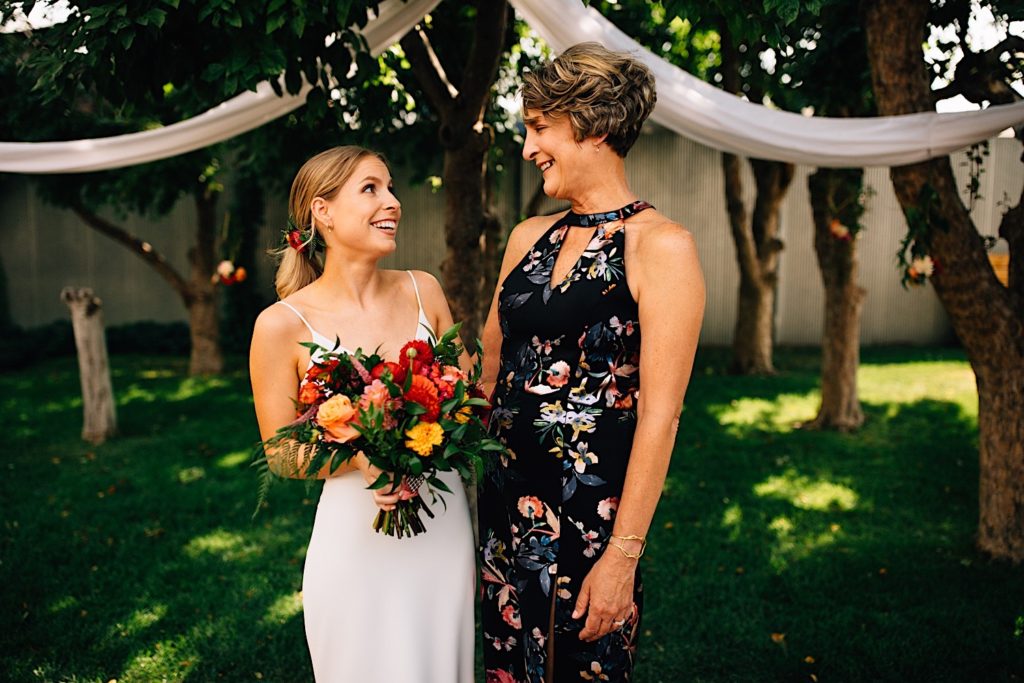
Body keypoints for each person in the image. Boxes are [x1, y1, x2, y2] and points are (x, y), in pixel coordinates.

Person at [477, 43, 706, 683]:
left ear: (594, 127)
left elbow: (661, 418)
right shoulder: (527, 237)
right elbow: (487, 373)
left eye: (540, 128)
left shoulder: (662, 247)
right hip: (502, 511)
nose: (528, 148)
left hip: (589, 522)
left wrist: (622, 559)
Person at [249, 146, 475, 683]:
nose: (392, 201)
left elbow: (467, 401)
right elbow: (282, 453)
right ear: (322, 211)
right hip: (355, 541)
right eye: (371, 189)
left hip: (442, 531)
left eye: (391, 187)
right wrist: (363, 459)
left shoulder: (425, 289)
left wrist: (441, 424)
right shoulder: (281, 325)